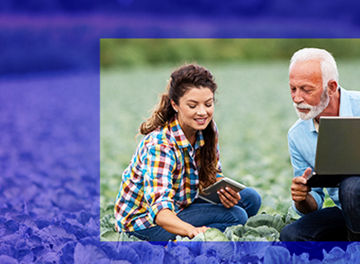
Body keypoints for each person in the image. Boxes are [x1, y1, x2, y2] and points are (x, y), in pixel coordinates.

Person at [114, 64, 261, 241]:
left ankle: (197, 234)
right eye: (192, 105)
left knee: (251, 199)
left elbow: (212, 175)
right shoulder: (161, 145)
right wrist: (192, 231)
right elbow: (160, 212)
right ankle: (183, 245)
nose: (202, 112)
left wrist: (224, 192)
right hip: (144, 223)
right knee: (237, 216)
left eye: (208, 104)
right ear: (175, 105)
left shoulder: (207, 129)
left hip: (181, 203)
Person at [280, 48, 360, 241]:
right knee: (291, 235)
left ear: (331, 87)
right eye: (293, 89)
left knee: (350, 187)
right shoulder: (297, 135)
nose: (297, 98)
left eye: (306, 89)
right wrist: (302, 198)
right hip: (348, 215)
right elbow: (313, 202)